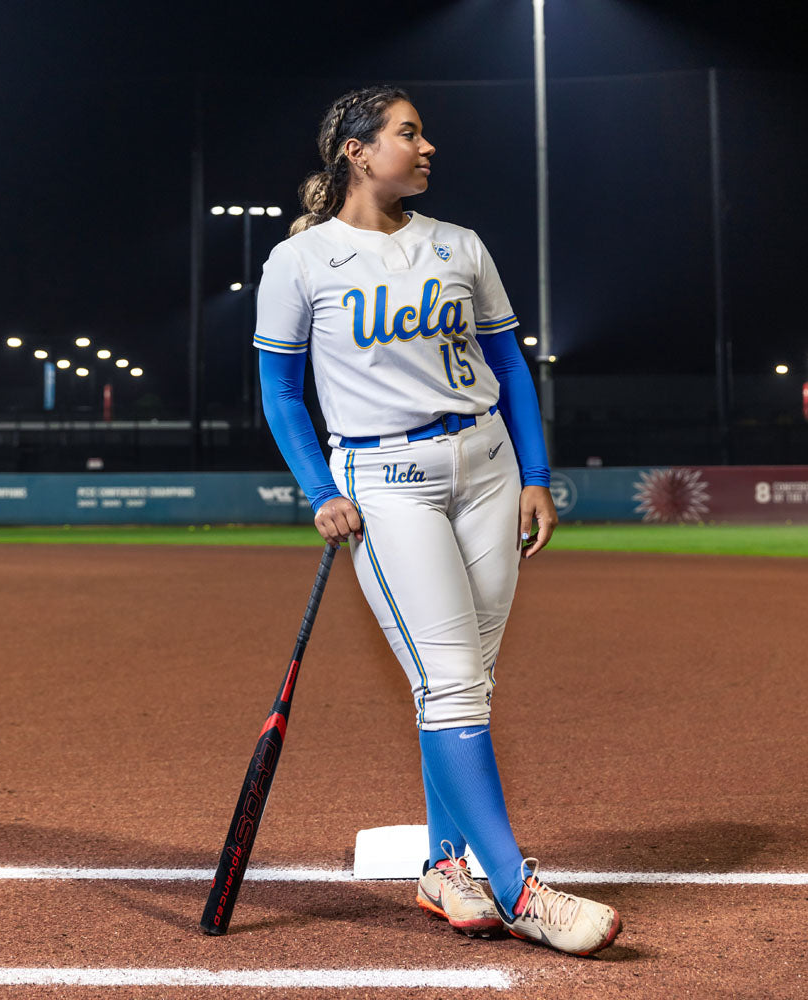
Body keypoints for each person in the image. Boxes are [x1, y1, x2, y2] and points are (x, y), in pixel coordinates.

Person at [253, 85, 621, 956]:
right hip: (384, 481)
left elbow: (510, 365)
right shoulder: (300, 261)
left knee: (459, 683)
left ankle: (445, 864)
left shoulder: (459, 245)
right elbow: (279, 392)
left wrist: (534, 473)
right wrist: (320, 489)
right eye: (408, 134)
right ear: (355, 148)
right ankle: (517, 886)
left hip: (488, 468)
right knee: (453, 682)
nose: (427, 149)